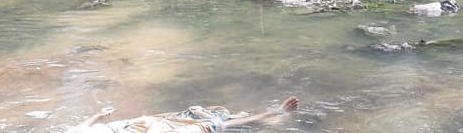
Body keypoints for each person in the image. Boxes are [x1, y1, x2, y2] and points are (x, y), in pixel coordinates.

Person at [67, 96, 299, 133]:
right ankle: (272, 114)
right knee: (209, 124)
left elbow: (82, 125)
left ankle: (259, 118)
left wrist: (99, 114)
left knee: (192, 114)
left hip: (127, 126)